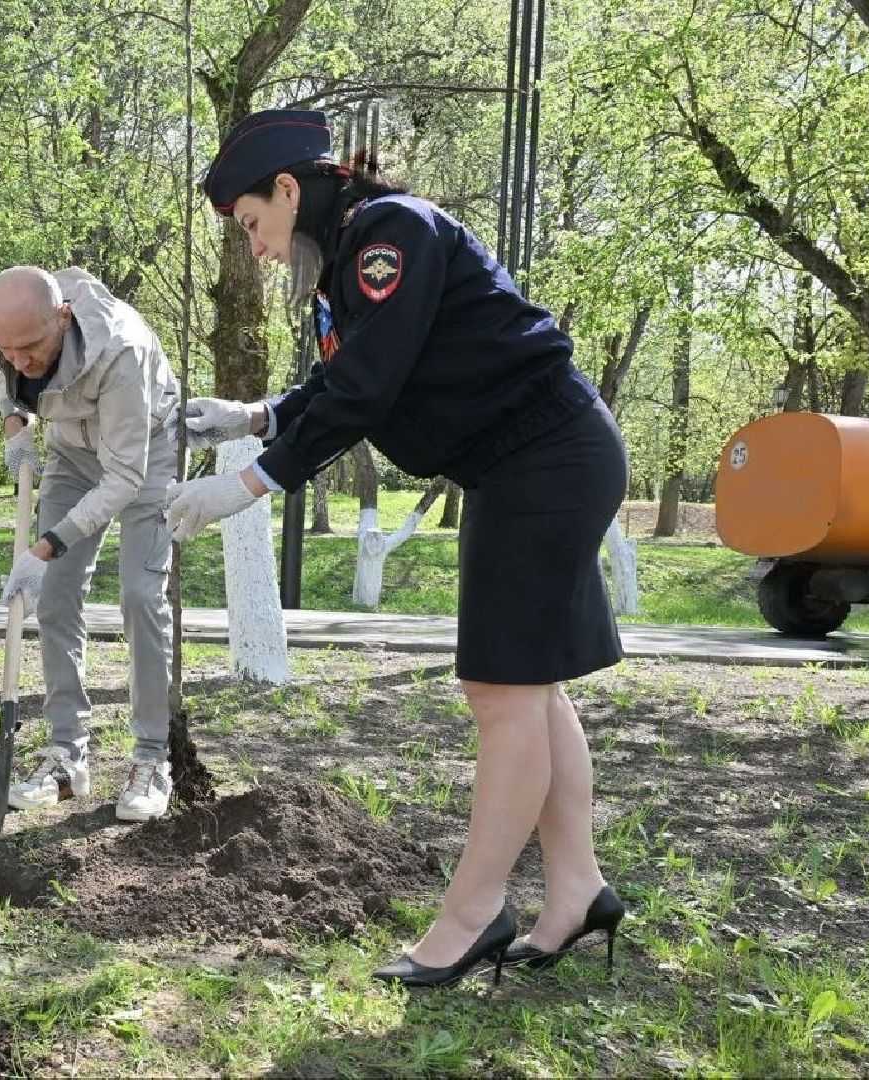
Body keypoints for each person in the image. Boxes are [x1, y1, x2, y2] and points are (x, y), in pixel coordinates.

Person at [170, 110, 629, 988]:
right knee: (529, 689)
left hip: (544, 460)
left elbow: (367, 389)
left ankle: (472, 913)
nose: (256, 249)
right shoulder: (353, 255)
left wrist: (249, 484)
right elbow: (348, 374)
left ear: (288, 189)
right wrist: (257, 416)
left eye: (252, 223)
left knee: (500, 693)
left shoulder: (389, 234)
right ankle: (575, 889)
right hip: (531, 460)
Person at [0, 265, 180, 822]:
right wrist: (14, 426)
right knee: (55, 597)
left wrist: (46, 547)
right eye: (8, 349)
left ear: (64, 317)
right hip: (71, 450)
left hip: (146, 453)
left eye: (31, 348)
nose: (19, 360)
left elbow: (124, 478)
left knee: (140, 594)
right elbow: (5, 379)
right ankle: (67, 756)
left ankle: (151, 759)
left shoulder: (122, 352)